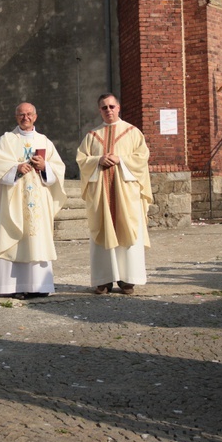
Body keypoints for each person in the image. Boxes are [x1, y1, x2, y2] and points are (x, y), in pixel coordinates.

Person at [0, 102, 67, 299]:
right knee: (16, 238)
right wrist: (16, 168)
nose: (25, 118)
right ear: (16, 117)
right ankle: (14, 286)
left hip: (38, 200)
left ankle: (39, 286)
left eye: (29, 114)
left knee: (36, 239)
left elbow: (59, 169)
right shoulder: (6, 140)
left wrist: (45, 166)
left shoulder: (45, 141)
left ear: (35, 117)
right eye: (21, 114)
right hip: (14, 201)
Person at [76, 93, 152, 295]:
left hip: (126, 194)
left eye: (111, 106)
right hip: (101, 194)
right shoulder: (92, 136)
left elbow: (142, 157)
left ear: (118, 107)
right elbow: (82, 160)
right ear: (99, 110)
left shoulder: (133, 132)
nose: (108, 110)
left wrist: (120, 159)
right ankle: (103, 280)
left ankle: (128, 280)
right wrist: (97, 160)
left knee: (128, 231)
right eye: (104, 107)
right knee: (102, 233)